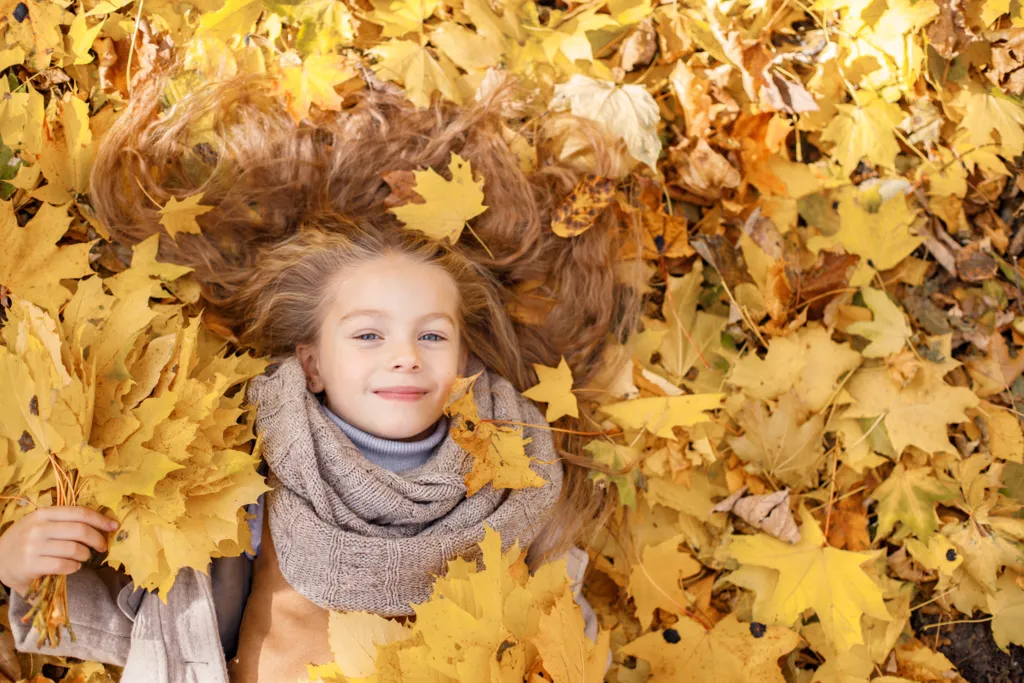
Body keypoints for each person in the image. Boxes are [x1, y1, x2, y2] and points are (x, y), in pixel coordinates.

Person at [0, 70, 641, 682]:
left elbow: (564, 644)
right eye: (367, 335)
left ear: (465, 362)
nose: (404, 356)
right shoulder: (248, 469)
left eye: (432, 336)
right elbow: (150, 607)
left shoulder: (518, 484)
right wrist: (25, 568)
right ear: (311, 365)